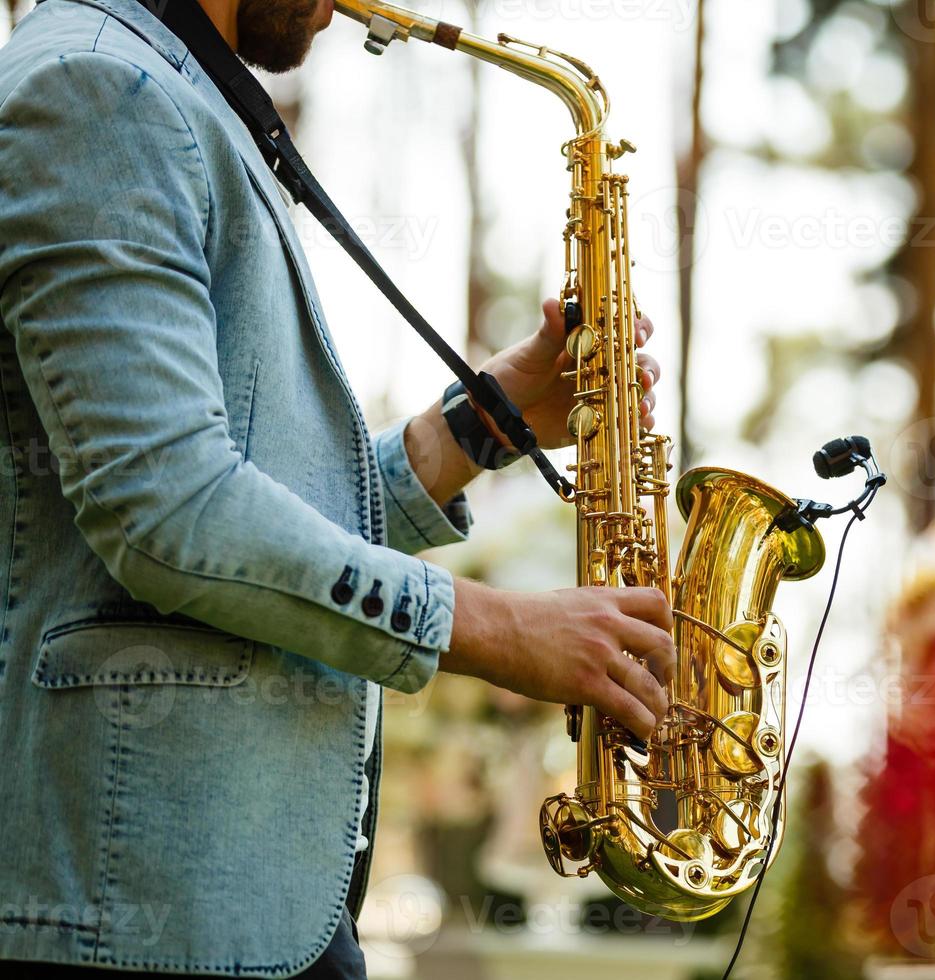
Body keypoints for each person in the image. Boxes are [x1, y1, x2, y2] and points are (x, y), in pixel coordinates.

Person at [0, 0, 674, 975]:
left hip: (242, 899)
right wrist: (498, 627)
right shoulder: (101, 90)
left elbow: (266, 507)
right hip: (143, 909)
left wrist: (488, 418)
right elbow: (166, 511)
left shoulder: (177, 93)